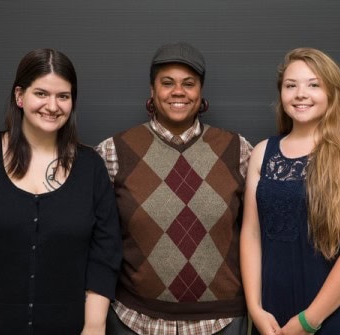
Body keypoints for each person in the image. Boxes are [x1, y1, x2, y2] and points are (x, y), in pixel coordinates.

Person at [0, 48, 122, 335]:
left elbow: (105, 251)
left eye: (63, 96)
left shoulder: (91, 167)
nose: (53, 105)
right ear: (19, 96)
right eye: (42, 94)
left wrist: (94, 324)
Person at [96, 41, 252, 335]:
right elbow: (97, 240)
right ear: (152, 91)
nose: (178, 92)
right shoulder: (113, 151)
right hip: (135, 320)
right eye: (167, 83)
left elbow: (258, 232)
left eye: (188, 84)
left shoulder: (237, 150)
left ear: (200, 92)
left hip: (222, 321)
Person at [240, 47, 340, 335]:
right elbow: (251, 235)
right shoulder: (263, 153)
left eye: (313, 84)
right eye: (291, 85)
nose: (301, 94)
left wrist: (308, 321)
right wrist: (255, 309)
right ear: (281, 93)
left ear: (331, 93)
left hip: (330, 316)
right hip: (271, 318)